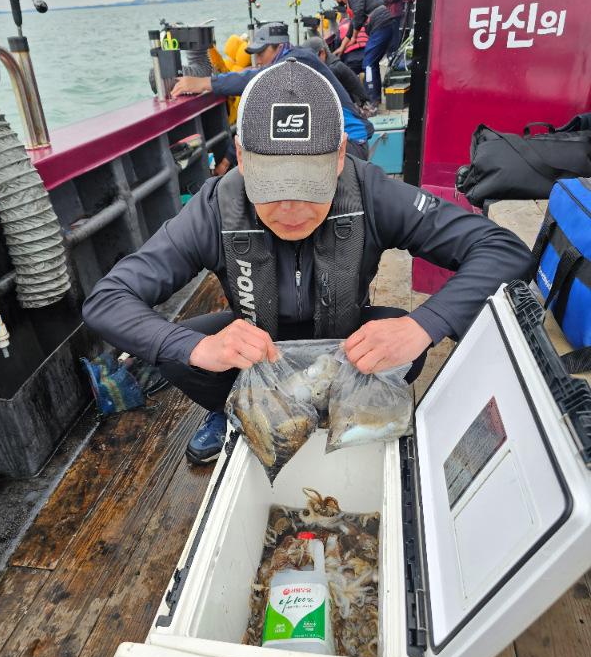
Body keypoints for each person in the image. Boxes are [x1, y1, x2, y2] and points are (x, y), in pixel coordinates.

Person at [83, 59, 532, 466]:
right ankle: (235, 410)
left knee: (407, 339)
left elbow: (502, 250)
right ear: (241, 158)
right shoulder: (214, 208)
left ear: (339, 156)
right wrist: (198, 349)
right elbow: (107, 299)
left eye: (309, 186)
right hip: (256, 353)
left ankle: (343, 411)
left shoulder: (372, 192)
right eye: (271, 187)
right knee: (180, 352)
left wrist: (423, 324)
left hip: (344, 349)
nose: (291, 210)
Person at [170, 22, 373, 161]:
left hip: (350, 143)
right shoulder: (292, 64)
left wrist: (204, 83)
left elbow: (255, 78)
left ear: (279, 46)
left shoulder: (299, 60)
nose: (257, 59)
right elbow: (255, 116)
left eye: (261, 52)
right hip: (336, 140)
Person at [326, 0, 395, 106]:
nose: (340, 2)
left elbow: (358, 16)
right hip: (383, 25)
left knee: (368, 64)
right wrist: (342, 47)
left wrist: (354, 37)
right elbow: (353, 23)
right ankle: (376, 98)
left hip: (381, 25)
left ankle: (371, 101)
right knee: (372, 62)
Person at [302, 35, 375, 117]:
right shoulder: (329, 63)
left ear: (323, 53)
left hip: (362, 110)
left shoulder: (333, 69)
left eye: (313, 58)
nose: (310, 63)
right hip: (354, 107)